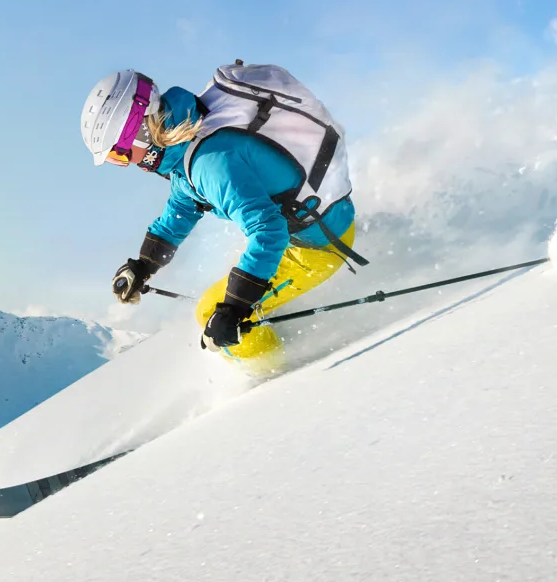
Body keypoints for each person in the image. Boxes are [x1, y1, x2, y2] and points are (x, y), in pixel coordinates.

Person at [79, 63, 366, 374]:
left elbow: (269, 231)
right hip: (316, 223)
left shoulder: (210, 163)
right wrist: (144, 265)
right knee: (225, 298)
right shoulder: (189, 135)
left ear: (140, 133)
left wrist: (234, 308)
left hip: (319, 247)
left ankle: (279, 379)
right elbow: (182, 207)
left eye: (119, 154)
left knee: (208, 312)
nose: (124, 163)